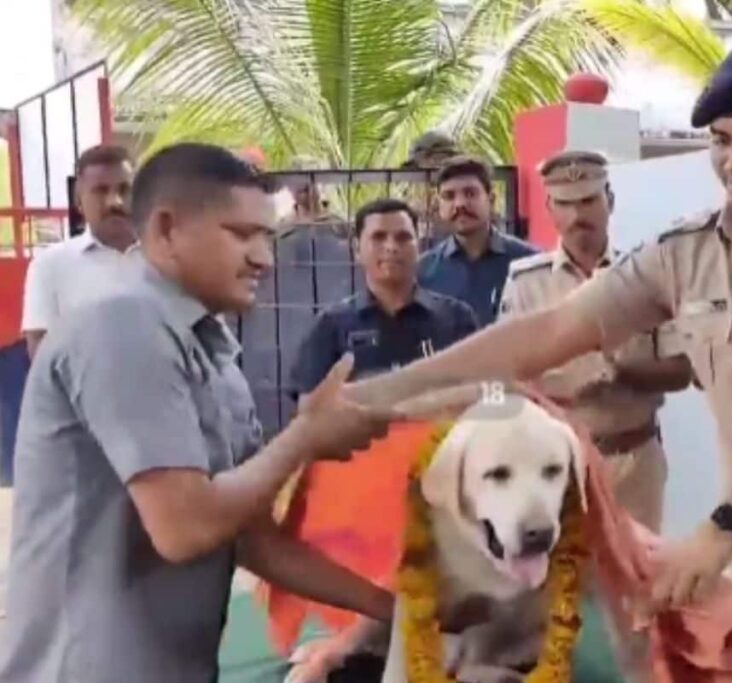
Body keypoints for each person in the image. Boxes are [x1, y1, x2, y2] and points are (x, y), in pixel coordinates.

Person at [344, 38, 732, 682]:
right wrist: (379, 396)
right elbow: (547, 332)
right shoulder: (682, 253)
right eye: (722, 140)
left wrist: (717, 534)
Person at [0, 143, 394, 682]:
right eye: (241, 234)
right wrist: (304, 437)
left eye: (266, 236)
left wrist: (395, 606)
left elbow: (254, 538)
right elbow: (184, 527)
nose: (264, 257)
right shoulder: (122, 326)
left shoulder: (213, 354)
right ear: (166, 230)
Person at [498, 150, 691, 532]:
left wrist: (620, 371)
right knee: (565, 580)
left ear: (611, 201)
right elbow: (509, 379)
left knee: (639, 579)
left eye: (588, 201)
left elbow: (682, 372)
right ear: (549, 208)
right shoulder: (525, 282)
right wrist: (566, 386)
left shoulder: (646, 275)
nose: (577, 216)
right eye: (565, 204)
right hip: (557, 463)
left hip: (635, 458)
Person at [291, 197, 479, 393]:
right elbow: (309, 408)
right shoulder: (331, 326)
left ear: (420, 246)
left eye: (403, 237)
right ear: (357, 249)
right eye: (378, 237)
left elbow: (480, 394)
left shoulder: (457, 318)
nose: (391, 247)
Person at [21, 145, 137, 359]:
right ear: (79, 202)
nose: (115, 201)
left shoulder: (168, 260)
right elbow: (40, 353)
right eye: (100, 191)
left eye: (124, 189)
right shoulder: (50, 265)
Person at [417, 155, 537, 326]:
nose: (459, 204)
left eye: (470, 193)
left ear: (491, 199)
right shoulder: (423, 272)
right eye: (449, 196)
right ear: (439, 206)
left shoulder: (528, 263)